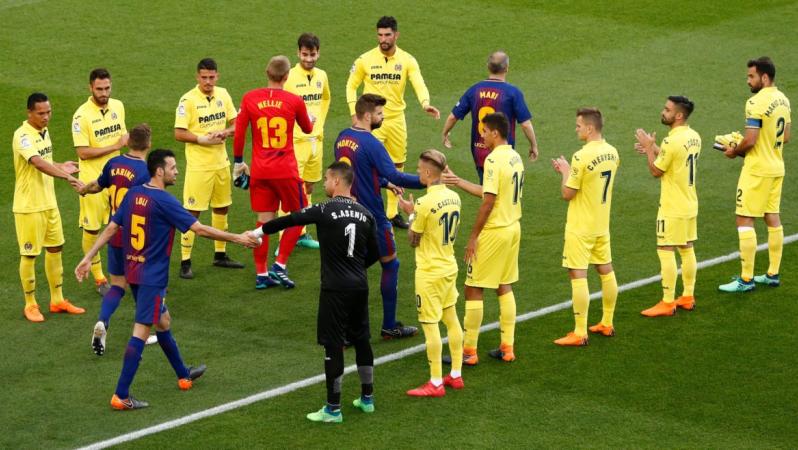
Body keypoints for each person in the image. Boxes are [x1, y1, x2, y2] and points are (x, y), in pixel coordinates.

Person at [75, 149, 259, 410]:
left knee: (163, 321)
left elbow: (112, 227)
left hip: (133, 270)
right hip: (152, 277)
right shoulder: (165, 201)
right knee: (141, 331)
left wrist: (88, 257)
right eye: (173, 167)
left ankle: (184, 374)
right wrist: (238, 238)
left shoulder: (134, 194)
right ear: (159, 171)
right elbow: (200, 229)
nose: (177, 171)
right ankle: (121, 394)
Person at [251, 162, 379, 423]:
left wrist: (259, 231)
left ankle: (333, 409)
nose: (323, 184)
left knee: (333, 345)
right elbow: (377, 252)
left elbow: (291, 219)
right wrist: (356, 266)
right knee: (362, 339)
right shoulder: (366, 214)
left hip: (335, 288)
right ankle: (367, 399)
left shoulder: (324, 209)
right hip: (359, 285)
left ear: (336, 181)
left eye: (326, 179)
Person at [334, 93, 425, 339]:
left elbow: (357, 172)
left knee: (351, 270)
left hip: (345, 215)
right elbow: (397, 175)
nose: (382, 117)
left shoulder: (343, 138)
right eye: (379, 114)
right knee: (390, 264)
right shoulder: (372, 143)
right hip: (371, 217)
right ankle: (389, 325)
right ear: (367, 115)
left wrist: (384, 183)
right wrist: (428, 180)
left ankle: (342, 331)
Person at [442, 112, 524, 363]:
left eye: (485, 131)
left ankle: (468, 351)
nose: (482, 135)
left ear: (495, 133)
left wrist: (474, 236)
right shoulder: (515, 157)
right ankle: (507, 347)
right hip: (513, 228)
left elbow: (489, 201)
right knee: (504, 284)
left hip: (495, 231)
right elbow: (492, 192)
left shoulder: (492, 160)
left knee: (473, 287)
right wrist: (458, 181)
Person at [346, 15, 440, 229]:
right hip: (372, 121)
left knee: (397, 164)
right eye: (380, 35)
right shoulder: (364, 60)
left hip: (397, 120)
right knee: (369, 167)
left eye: (387, 35)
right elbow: (351, 85)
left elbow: (418, 82)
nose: (383, 39)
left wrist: (425, 103)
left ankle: (391, 213)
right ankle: (365, 210)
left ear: (396, 35)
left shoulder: (407, 60)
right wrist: (354, 112)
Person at [233, 55, 315, 290]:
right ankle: (279, 264)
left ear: (266, 73)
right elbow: (307, 127)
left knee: (263, 223)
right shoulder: (294, 100)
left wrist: (239, 162)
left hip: (260, 171)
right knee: (301, 215)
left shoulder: (250, 98)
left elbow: (240, 134)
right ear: (287, 76)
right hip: (285, 170)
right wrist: (310, 117)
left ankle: (261, 274)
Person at [78, 123, 153, 355]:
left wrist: (83, 189)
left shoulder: (114, 163)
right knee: (142, 284)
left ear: (128, 140)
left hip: (115, 234)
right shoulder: (145, 172)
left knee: (118, 285)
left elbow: (96, 186)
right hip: (136, 236)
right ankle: (142, 331)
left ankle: (103, 321)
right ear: (148, 144)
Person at [719, 57, 791, 292]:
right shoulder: (783, 99)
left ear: (764, 77)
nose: (748, 80)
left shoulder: (755, 102)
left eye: (751, 76)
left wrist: (734, 149)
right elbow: (785, 136)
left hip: (757, 169)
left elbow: (750, 140)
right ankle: (772, 274)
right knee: (772, 217)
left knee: (744, 219)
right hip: (777, 167)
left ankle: (746, 279)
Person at [397, 150, 465, 397]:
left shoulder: (424, 203)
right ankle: (456, 375)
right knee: (451, 318)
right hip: (449, 266)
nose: (416, 171)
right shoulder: (455, 197)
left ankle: (435, 382)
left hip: (429, 272)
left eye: (418, 168)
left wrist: (411, 212)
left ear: (428, 172)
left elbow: (414, 239)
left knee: (430, 325)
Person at [14, 92, 86, 322]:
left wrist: (60, 164)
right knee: (30, 254)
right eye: (41, 113)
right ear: (30, 113)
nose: (46, 117)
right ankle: (30, 304)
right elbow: (36, 162)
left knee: (55, 248)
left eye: (48, 112)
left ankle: (57, 300)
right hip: (29, 206)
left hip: (48, 202)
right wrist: (66, 177)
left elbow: (45, 160)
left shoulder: (43, 132)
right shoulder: (23, 135)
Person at [551, 108, 619, 346]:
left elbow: (568, 193)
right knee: (605, 270)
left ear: (590, 128)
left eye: (579, 125)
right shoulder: (613, 152)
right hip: (601, 223)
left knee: (577, 274)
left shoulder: (581, 156)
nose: (576, 129)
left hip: (581, 226)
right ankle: (607, 322)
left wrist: (565, 171)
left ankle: (580, 333)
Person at [175, 58, 244, 279]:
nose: (207, 81)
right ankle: (185, 261)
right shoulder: (188, 100)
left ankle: (220, 254)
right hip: (199, 167)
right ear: (197, 77)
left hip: (221, 163)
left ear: (217, 76)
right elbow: (179, 133)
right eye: (203, 77)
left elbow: (237, 123)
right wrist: (201, 140)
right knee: (192, 213)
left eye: (211, 77)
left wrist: (226, 132)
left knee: (222, 208)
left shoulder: (223, 94)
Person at [634, 96, 701, 316]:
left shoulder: (672, 141)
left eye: (667, 109)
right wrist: (652, 149)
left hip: (673, 205)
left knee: (666, 249)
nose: (663, 112)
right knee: (687, 247)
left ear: (679, 115)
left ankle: (667, 301)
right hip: (690, 202)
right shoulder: (694, 136)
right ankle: (688, 296)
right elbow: (674, 160)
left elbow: (656, 171)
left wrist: (648, 148)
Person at [72, 68, 129, 296]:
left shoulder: (118, 106)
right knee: (93, 228)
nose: (104, 93)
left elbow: (123, 137)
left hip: (117, 179)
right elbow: (83, 152)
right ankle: (99, 278)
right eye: (99, 89)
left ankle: (120, 271)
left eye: (107, 88)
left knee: (119, 225)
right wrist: (115, 146)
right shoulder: (81, 116)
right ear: (90, 88)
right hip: (92, 180)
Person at [442, 51, 540, 181]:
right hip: (504, 156)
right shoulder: (512, 93)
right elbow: (526, 124)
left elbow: (452, 117)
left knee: (487, 192)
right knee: (500, 196)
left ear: (488, 66)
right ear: (506, 68)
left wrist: (445, 133)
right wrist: (533, 145)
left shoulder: (474, 89)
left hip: (479, 153)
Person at [279, 32, 331, 250]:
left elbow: (326, 98)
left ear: (318, 53)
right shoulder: (289, 77)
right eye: (304, 54)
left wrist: (320, 122)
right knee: (292, 188)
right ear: (297, 53)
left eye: (312, 54)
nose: (308, 58)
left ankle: (301, 233)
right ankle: (284, 237)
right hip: (296, 142)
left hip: (315, 141)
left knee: (309, 186)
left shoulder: (322, 76)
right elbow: (279, 106)